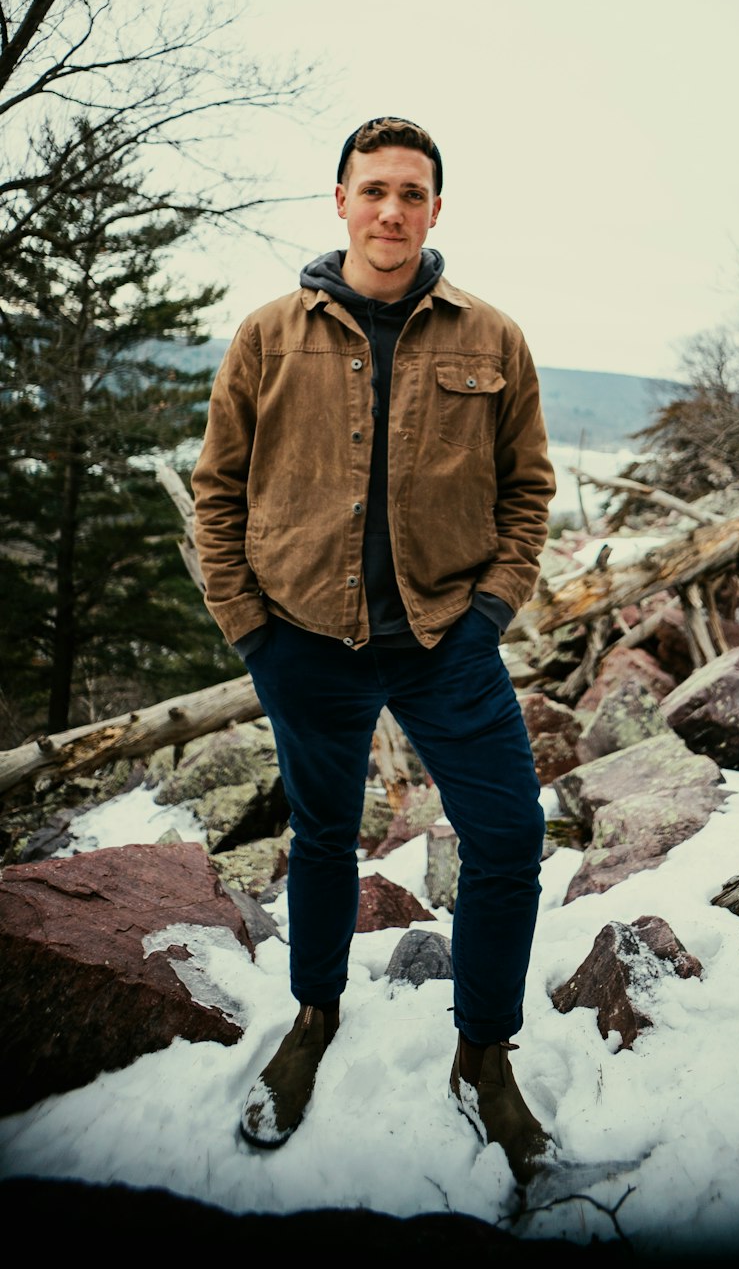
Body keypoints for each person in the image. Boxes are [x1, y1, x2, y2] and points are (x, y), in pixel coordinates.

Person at [191, 117, 557, 1183]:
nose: (390, 210)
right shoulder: (268, 335)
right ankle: (311, 1019)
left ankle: (483, 1058)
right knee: (319, 838)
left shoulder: (492, 339)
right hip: (303, 639)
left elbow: (528, 491)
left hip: (448, 642)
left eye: (411, 192)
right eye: (372, 190)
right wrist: (249, 628)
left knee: (506, 840)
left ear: (436, 209)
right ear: (340, 201)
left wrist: (490, 610)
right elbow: (218, 490)